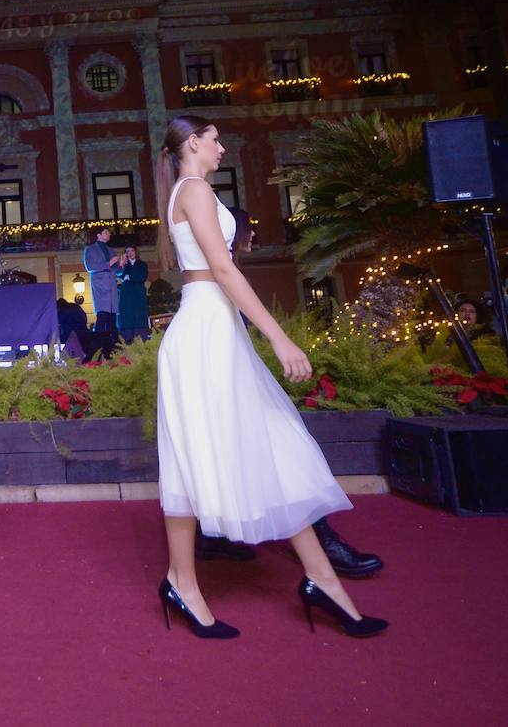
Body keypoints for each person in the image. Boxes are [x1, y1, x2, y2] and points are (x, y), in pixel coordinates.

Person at [154, 114, 387, 639]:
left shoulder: (193, 191)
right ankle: (182, 583)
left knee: (275, 444)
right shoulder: (192, 189)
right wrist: (279, 338)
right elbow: (225, 269)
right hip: (205, 333)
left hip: (218, 329)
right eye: (215, 139)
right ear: (193, 142)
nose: (222, 147)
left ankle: (323, 579)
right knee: (197, 456)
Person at [196, 206, 384, 578]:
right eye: (247, 234)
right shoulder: (220, 267)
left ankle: (215, 536)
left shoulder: (217, 263)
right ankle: (319, 543)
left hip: (228, 358)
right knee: (279, 440)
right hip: (222, 360)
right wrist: (280, 340)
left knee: (235, 443)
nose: (252, 242)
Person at [82, 228, 120, 333]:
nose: (109, 234)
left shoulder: (111, 250)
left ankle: (112, 344)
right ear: (98, 235)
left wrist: (121, 264)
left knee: (112, 318)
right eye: (106, 232)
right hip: (100, 287)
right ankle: (99, 342)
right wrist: (109, 263)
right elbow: (90, 267)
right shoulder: (90, 249)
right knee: (102, 316)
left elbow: (117, 270)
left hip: (111, 287)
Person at [115, 246, 150, 342]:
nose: (130, 253)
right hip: (126, 296)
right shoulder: (124, 265)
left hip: (138, 295)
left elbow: (141, 277)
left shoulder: (142, 264)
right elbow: (118, 274)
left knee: (139, 319)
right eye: (127, 251)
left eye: (132, 250)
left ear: (136, 252)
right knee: (127, 320)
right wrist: (122, 266)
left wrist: (128, 277)